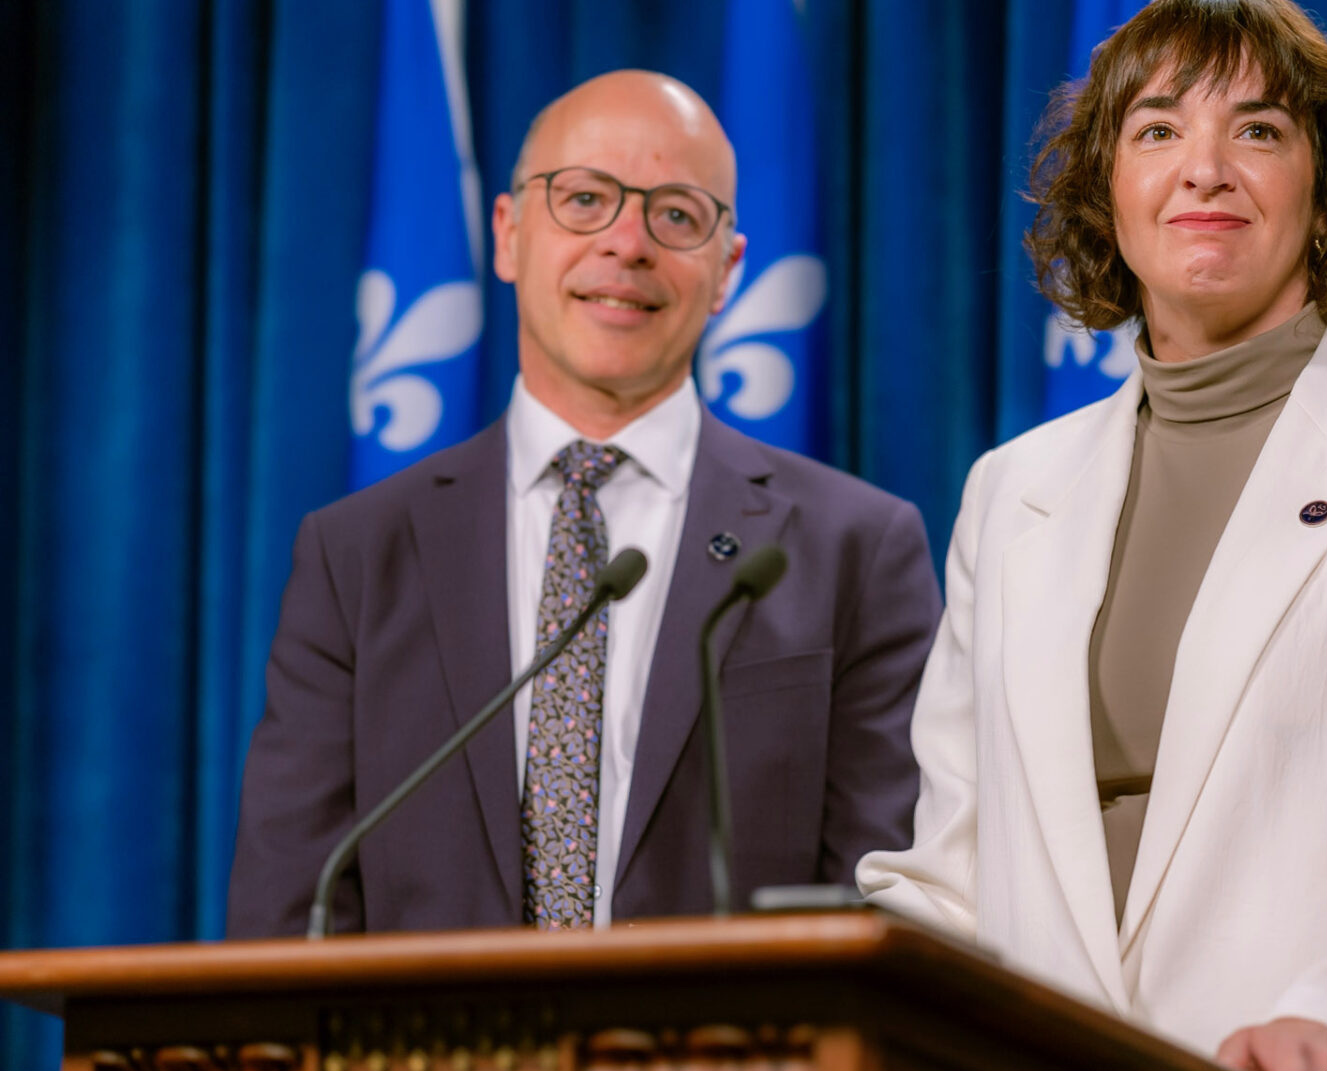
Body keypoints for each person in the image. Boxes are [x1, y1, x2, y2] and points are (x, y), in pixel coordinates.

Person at [856, 3, 1327, 1071]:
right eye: (1158, 131)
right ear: (1105, 191)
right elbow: (950, 876)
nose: (1204, 170)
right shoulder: (1011, 488)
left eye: (1257, 130)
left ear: (1326, 183)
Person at [229, 71, 941, 936]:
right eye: (584, 199)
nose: (627, 243)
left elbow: (882, 906)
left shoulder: (855, 551)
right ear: (508, 233)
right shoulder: (357, 554)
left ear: (727, 270)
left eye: (676, 214)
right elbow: (292, 912)